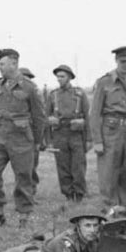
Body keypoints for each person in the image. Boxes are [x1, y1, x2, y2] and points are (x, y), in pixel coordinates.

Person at [0, 48, 45, 227]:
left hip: (21, 139)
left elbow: (39, 117)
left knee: (23, 177)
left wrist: (36, 141)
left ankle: (24, 217)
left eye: (2, 64)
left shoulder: (29, 87)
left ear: (13, 63)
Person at [90, 46, 126, 206]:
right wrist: (97, 141)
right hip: (111, 133)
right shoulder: (104, 82)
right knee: (109, 173)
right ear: (116, 61)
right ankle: (110, 209)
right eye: (123, 61)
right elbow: (94, 114)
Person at [45, 64, 92, 202]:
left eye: (62, 76)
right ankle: (68, 195)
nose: (59, 79)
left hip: (76, 135)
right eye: (58, 76)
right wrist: (48, 140)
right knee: (63, 166)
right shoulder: (53, 95)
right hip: (59, 134)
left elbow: (88, 117)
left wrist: (89, 139)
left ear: (70, 77)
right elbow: (46, 118)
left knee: (78, 166)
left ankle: (79, 194)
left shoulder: (80, 94)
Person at [19, 66, 44, 196]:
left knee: (32, 166)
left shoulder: (36, 95)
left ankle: (31, 191)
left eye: (28, 78)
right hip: (18, 137)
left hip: (33, 137)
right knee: (21, 168)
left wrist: (40, 140)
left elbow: (40, 118)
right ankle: (23, 192)